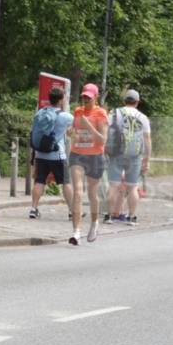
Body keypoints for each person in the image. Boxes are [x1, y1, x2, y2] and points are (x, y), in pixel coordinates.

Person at [104, 89, 151, 226]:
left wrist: (105, 149)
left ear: (124, 101)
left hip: (116, 154)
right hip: (134, 156)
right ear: (137, 102)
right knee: (132, 187)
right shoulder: (142, 117)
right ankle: (131, 217)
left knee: (113, 185)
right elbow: (147, 139)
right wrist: (146, 159)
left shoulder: (114, 113)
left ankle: (109, 216)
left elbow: (106, 132)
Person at [68, 83, 108, 245]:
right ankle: (76, 232)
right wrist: (70, 130)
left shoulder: (101, 114)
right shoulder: (78, 111)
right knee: (78, 191)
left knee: (92, 193)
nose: (85, 99)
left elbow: (103, 139)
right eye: (84, 96)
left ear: (95, 97)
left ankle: (94, 223)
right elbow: (75, 129)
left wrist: (89, 125)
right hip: (77, 154)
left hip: (95, 157)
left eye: (89, 97)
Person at [28, 85, 74, 219]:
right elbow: (79, 122)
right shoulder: (65, 116)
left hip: (40, 154)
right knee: (65, 182)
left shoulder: (40, 113)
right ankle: (72, 211)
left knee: (39, 181)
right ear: (60, 100)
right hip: (57, 155)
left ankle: (33, 208)